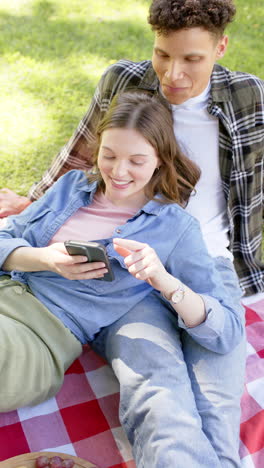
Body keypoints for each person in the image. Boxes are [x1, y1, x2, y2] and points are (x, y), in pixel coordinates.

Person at [0, 92, 244, 468]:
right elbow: (6, 235)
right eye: (109, 155)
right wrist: (45, 259)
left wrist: (165, 281)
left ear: (160, 159)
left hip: (38, 337)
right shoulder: (72, 188)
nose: (118, 171)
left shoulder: (174, 228)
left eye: (136, 160)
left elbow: (225, 330)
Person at [0, 0, 263, 298]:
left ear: (221, 47)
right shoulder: (124, 81)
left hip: (209, 257)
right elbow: (82, 152)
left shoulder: (249, 97)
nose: (172, 74)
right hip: (127, 258)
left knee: (216, 340)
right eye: (162, 54)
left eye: (192, 59)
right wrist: (33, 203)